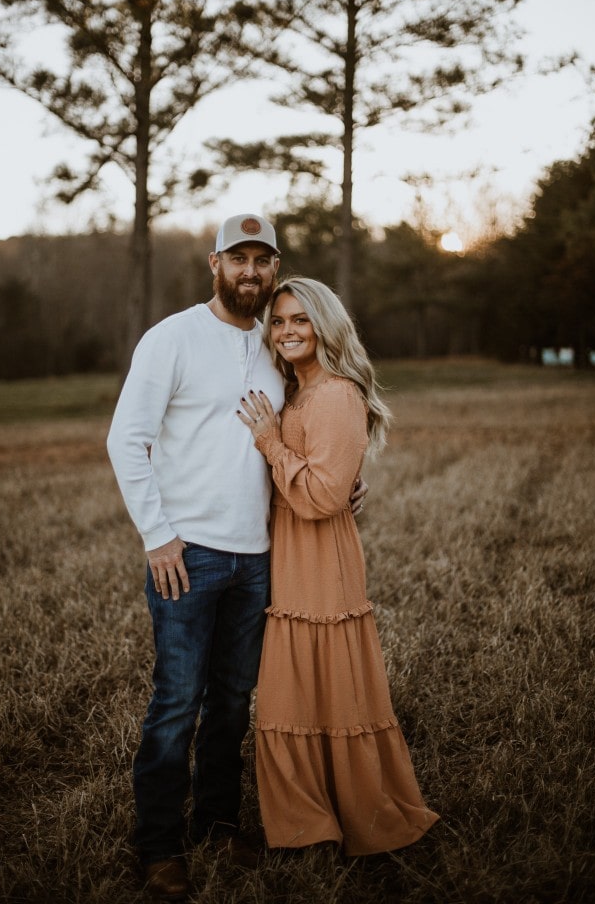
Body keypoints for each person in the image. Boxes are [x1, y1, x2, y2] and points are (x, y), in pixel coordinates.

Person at [106, 218, 366, 902]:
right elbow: (125, 439)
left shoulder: (273, 341)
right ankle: (159, 845)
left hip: (258, 558)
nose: (250, 272)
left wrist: (336, 478)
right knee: (176, 704)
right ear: (213, 262)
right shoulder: (172, 338)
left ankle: (218, 825)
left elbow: (308, 425)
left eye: (262, 260)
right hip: (186, 554)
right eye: (238, 258)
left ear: (273, 268)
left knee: (230, 704)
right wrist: (157, 535)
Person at [237, 277, 440, 856]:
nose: (288, 331)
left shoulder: (334, 393)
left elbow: (324, 497)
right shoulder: (296, 390)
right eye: (278, 322)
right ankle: (310, 817)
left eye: (301, 319)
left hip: (321, 554)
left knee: (326, 685)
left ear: (325, 325)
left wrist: (271, 443)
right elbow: (331, 473)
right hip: (291, 548)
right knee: (296, 689)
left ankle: (345, 813)